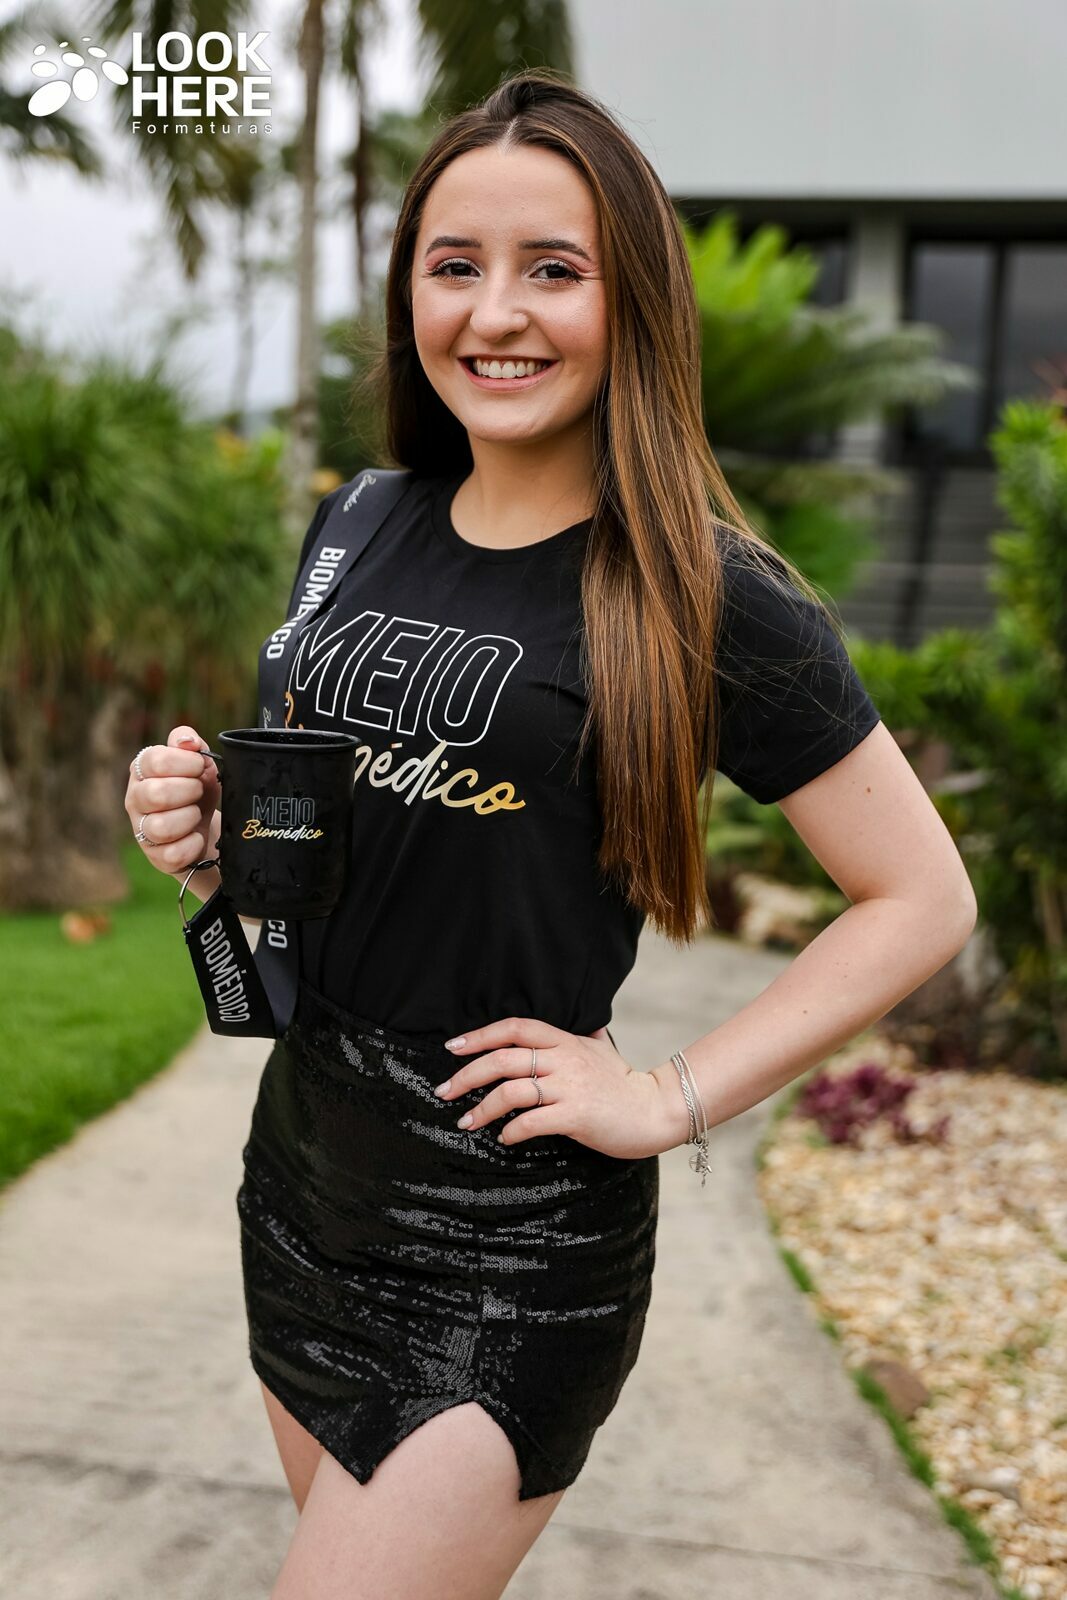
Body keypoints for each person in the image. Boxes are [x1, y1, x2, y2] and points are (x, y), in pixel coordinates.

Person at [123, 67, 977, 1600]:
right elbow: (347, 822)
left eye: (553, 270)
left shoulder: (709, 594)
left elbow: (919, 896)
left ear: (629, 298)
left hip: (507, 1237)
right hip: (307, 1174)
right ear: (410, 294)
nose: (496, 312)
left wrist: (668, 1096)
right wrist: (201, 833)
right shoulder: (359, 520)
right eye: (455, 265)